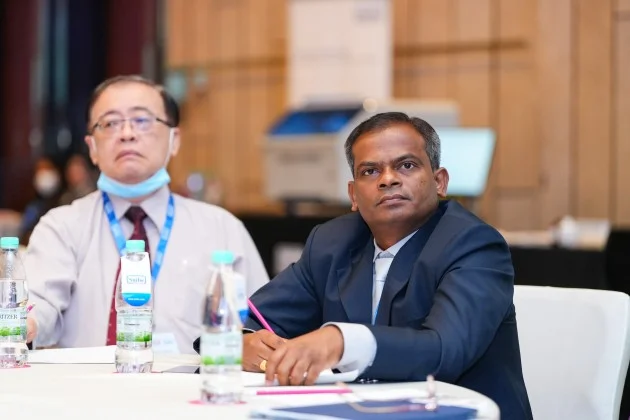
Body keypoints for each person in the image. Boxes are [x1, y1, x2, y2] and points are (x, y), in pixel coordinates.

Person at [238, 112, 533, 419]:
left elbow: (445, 351)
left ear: (439, 181)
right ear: (353, 195)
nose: (388, 179)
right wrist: (243, 342)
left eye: (406, 165)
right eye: (370, 171)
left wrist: (342, 342)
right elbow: (253, 319)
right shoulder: (331, 243)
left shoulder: (473, 244)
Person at [25, 75, 270, 353]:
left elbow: (261, 323)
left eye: (142, 120)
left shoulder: (222, 229)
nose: (127, 133)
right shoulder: (61, 227)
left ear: (174, 139)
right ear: (92, 148)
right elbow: (38, 304)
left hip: (191, 381)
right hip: (87, 381)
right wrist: (25, 323)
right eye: (110, 123)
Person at [18, 157, 63, 244]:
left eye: (47, 170)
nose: (44, 176)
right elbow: (24, 235)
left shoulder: (65, 200)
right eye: (40, 171)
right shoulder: (33, 206)